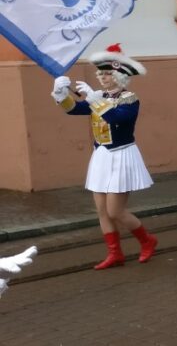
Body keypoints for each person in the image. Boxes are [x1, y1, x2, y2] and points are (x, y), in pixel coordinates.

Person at [50, 44, 158, 270]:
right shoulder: (99, 96)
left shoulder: (130, 99)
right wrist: (61, 94)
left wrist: (94, 99)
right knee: (102, 211)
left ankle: (147, 240)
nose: (103, 77)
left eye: (107, 73)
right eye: (101, 73)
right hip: (101, 155)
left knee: (115, 211)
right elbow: (74, 110)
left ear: (120, 75)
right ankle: (115, 253)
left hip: (121, 156)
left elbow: (116, 119)